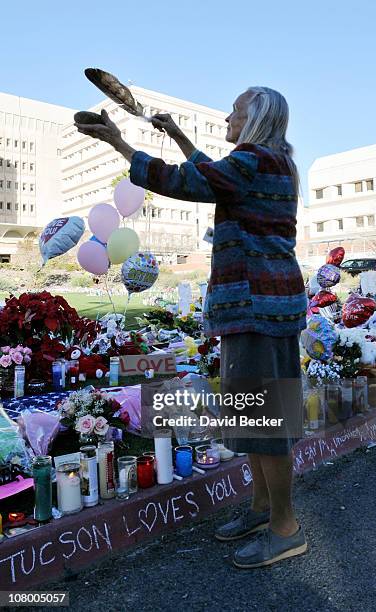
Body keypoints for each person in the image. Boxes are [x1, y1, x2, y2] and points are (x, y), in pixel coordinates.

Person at [75, 86, 308, 568]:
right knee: (254, 418)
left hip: (256, 305)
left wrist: (121, 144)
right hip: (262, 306)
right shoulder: (265, 162)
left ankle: (286, 528)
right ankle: (263, 509)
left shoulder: (253, 160)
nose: (228, 114)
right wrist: (179, 134)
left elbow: (186, 182)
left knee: (266, 424)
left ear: (256, 119)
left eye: (236, 110)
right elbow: (214, 175)